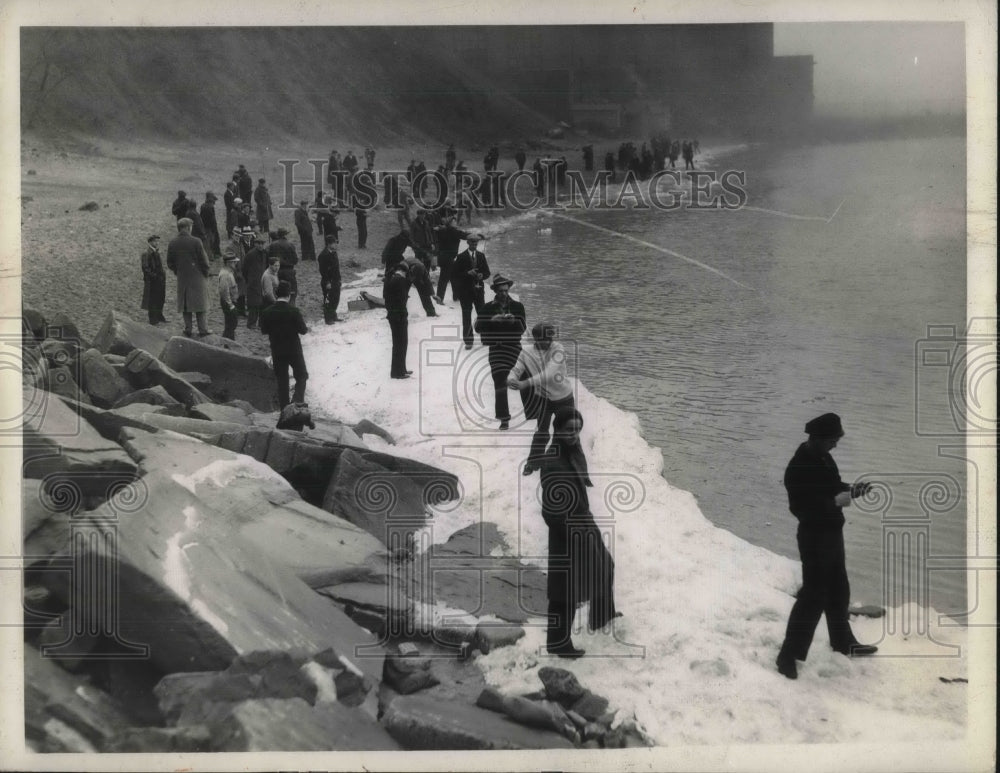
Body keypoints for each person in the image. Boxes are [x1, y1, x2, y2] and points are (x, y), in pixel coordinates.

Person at [775, 413, 878, 679]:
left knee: (839, 590)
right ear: (817, 439)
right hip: (813, 537)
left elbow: (832, 488)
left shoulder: (823, 457)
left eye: (836, 440)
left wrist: (852, 490)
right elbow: (800, 508)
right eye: (832, 440)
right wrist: (837, 501)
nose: (835, 445)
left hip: (832, 533)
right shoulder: (798, 467)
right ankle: (787, 656)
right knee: (812, 597)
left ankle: (843, 642)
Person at [539, 405, 617, 657]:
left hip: (583, 522)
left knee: (605, 565)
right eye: (569, 429)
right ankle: (558, 644)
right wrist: (573, 534)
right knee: (565, 590)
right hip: (567, 531)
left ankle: (602, 616)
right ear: (558, 429)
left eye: (577, 429)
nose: (574, 434)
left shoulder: (572, 450)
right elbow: (550, 512)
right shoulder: (552, 461)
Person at [507, 322, 574, 474]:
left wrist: (526, 383)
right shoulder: (526, 352)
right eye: (544, 339)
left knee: (567, 431)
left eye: (550, 339)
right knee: (541, 432)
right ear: (535, 339)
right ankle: (533, 463)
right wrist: (511, 378)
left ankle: (567, 462)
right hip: (543, 399)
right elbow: (517, 369)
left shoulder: (558, 349)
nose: (548, 342)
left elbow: (549, 374)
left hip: (564, 397)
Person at [474, 274, 526, 430]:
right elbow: (477, 328)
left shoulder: (518, 306)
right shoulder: (487, 308)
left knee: (525, 380)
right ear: (495, 291)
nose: (504, 293)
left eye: (506, 290)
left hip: (514, 347)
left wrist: (513, 321)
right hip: (496, 348)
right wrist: (492, 320)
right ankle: (504, 419)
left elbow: (523, 329)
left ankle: (533, 413)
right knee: (499, 383)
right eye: (500, 291)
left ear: (508, 289)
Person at [260, 280, 309, 408]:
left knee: (282, 381)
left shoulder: (267, 312)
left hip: (277, 350)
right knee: (302, 375)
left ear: (276, 295)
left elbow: (263, 330)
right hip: (294, 350)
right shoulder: (294, 311)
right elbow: (303, 331)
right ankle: (297, 401)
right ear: (288, 295)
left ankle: (284, 409)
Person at [166, 218, 212, 337]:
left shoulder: (173, 242)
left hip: (183, 278)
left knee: (185, 305)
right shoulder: (196, 241)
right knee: (200, 304)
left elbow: (169, 262)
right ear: (187, 227)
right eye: (191, 227)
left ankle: (188, 329)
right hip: (197, 277)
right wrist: (205, 273)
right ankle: (203, 329)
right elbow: (204, 261)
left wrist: (178, 271)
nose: (191, 229)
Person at [451, 234, 490, 349]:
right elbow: (454, 275)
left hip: (479, 291)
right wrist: (467, 274)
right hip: (465, 293)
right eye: (472, 243)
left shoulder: (481, 256)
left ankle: (485, 338)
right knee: (466, 317)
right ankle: (468, 341)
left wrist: (482, 275)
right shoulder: (461, 257)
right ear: (468, 243)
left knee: (482, 315)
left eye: (476, 243)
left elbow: (487, 272)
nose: (474, 245)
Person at [383, 261, 414, 380]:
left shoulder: (390, 279)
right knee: (400, 344)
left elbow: (388, 298)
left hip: (393, 316)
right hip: (399, 317)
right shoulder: (400, 281)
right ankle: (398, 372)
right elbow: (401, 299)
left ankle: (401, 369)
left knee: (399, 344)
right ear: (404, 272)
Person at [432, 215, 468, 302]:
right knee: (444, 279)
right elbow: (464, 235)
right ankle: (440, 299)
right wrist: (478, 236)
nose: (456, 223)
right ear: (450, 223)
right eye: (454, 221)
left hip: (442, 257)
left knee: (453, 276)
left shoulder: (443, 230)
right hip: (448, 258)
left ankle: (456, 296)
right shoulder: (453, 231)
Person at [140, 234, 167, 325]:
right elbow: (145, 268)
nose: (157, 243)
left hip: (159, 279)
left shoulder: (155, 252)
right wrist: (154, 276)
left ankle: (159, 316)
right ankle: (153, 319)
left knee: (160, 298)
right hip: (152, 281)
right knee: (152, 300)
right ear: (150, 242)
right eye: (155, 241)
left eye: (157, 241)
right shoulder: (146, 253)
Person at [242, 233, 268, 329]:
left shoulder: (265, 253)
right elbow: (244, 269)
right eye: (258, 243)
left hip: (262, 281)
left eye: (262, 243)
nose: (260, 245)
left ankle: (261, 323)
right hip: (253, 282)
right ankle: (251, 323)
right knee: (254, 303)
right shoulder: (250, 254)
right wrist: (249, 279)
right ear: (255, 244)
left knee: (263, 303)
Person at [268, 227, 299, 305]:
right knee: (291, 292)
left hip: (276, 272)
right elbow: (295, 260)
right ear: (285, 235)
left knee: (278, 293)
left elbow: (269, 259)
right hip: (289, 272)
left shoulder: (272, 245)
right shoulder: (290, 245)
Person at [317, 234, 341, 324]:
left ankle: (333, 316)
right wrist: (327, 282)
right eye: (334, 243)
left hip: (335, 280)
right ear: (328, 244)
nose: (336, 245)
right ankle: (328, 319)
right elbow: (323, 271)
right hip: (328, 281)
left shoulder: (334, 253)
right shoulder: (323, 255)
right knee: (328, 300)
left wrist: (339, 279)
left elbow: (336, 268)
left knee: (336, 298)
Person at [218, 251, 240, 340]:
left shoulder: (229, 271)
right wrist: (230, 304)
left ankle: (229, 341)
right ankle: (227, 342)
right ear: (228, 263)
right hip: (228, 302)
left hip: (231, 301)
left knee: (232, 324)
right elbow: (224, 291)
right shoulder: (225, 274)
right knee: (231, 324)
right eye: (234, 262)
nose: (235, 264)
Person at [200, 192, 221, 256]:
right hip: (210, 228)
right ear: (211, 200)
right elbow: (212, 220)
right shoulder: (210, 207)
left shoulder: (203, 205)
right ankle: (212, 255)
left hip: (205, 227)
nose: (214, 203)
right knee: (211, 241)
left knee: (208, 241)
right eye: (214, 201)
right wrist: (214, 229)